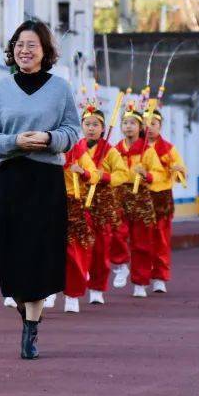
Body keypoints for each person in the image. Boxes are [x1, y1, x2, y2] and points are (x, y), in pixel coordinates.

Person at [0, 19, 81, 360]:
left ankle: (31, 328)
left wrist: (50, 139)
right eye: (20, 44)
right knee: (10, 255)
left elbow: (73, 130)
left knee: (39, 253)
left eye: (32, 45)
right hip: (12, 179)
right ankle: (26, 310)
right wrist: (13, 141)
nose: (25, 51)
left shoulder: (61, 89)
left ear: (45, 51)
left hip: (46, 180)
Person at [72, 98, 129, 306]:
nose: (91, 128)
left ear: (103, 128)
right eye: (87, 124)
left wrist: (104, 177)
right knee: (77, 245)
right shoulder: (75, 147)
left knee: (101, 247)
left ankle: (97, 288)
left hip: (102, 204)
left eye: (95, 125)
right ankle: (78, 280)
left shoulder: (109, 150)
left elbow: (123, 174)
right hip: (78, 204)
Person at [114, 105, 157, 298]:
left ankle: (140, 282)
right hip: (119, 194)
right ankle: (121, 264)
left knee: (142, 242)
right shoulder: (115, 149)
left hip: (140, 195)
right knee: (116, 232)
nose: (128, 126)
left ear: (140, 127)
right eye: (125, 123)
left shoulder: (147, 151)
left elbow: (157, 172)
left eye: (133, 123)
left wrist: (147, 174)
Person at [144, 108, 187, 294]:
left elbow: (181, 175)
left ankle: (160, 277)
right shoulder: (138, 147)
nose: (150, 127)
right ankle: (141, 276)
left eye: (154, 123)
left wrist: (178, 171)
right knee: (142, 240)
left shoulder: (169, 149)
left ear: (160, 126)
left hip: (161, 197)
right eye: (147, 123)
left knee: (161, 239)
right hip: (141, 198)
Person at [60, 122, 100, 313]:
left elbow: (94, 176)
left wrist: (82, 172)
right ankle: (45, 291)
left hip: (73, 206)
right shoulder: (44, 150)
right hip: (48, 205)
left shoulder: (78, 151)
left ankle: (72, 295)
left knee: (74, 252)